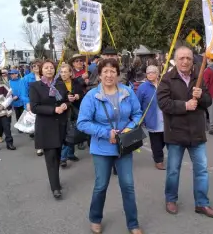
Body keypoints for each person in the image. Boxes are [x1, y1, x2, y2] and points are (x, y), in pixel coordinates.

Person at [76, 58, 143, 234]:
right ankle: (95, 218)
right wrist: (106, 133)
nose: (109, 74)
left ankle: (133, 223)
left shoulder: (127, 92)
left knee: (128, 185)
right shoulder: (91, 96)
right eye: (105, 71)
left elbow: (137, 114)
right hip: (101, 148)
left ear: (118, 74)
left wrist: (128, 129)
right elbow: (82, 123)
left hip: (124, 147)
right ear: (99, 75)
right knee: (101, 186)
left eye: (112, 71)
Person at [157, 45, 213, 219]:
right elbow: (163, 103)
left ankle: (202, 203)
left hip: (196, 133)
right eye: (181, 58)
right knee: (173, 170)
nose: (185, 61)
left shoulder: (199, 78)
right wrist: (184, 105)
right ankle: (171, 199)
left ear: (193, 60)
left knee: (201, 170)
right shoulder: (167, 79)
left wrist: (201, 96)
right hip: (175, 133)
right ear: (175, 60)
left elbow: (207, 102)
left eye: (188, 58)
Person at [29, 59, 70, 199]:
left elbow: (65, 99)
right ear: (41, 70)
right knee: (51, 157)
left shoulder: (59, 83)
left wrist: (65, 104)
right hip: (46, 126)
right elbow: (34, 107)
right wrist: (54, 109)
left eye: (51, 67)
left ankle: (55, 180)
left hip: (60, 125)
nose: (49, 70)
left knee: (57, 156)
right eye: (46, 68)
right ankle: (55, 187)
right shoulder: (35, 86)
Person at [135, 64, 165, 170]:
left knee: (165, 139)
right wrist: (138, 117)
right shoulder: (143, 87)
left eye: (152, 72)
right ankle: (159, 160)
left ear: (157, 74)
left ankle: (157, 154)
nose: (150, 75)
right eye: (148, 73)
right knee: (156, 140)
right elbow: (137, 103)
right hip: (152, 117)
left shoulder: (163, 84)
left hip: (165, 117)